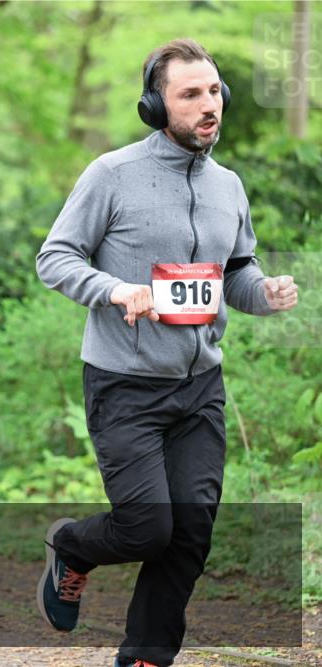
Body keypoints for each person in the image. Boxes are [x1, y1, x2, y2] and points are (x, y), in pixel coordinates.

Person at [34, 39, 298, 667]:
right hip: (124, 384)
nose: (209, 106)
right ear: (156, 106)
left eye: (214, 92)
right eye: (190, 95)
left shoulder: (228, 186)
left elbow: (235, 270)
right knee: (147, 527)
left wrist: (261, 291)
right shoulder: (112, 174)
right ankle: (72, 547)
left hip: (200, 386)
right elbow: (55, 257)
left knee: (190, 535)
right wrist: (116, 288)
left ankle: (145, 658)